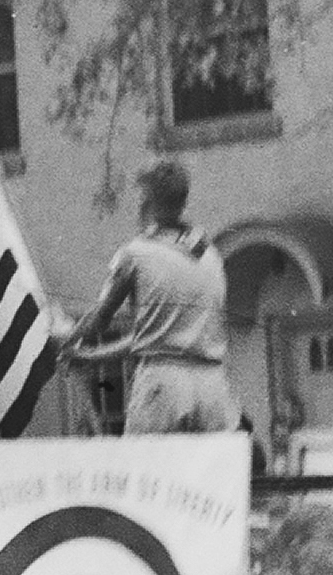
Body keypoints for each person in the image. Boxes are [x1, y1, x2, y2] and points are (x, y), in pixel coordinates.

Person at [64, 161, 238, 436]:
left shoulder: (136, 253)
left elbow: (100, 319)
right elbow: (157, 333)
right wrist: (95, 356)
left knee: (145, 461)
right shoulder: (210, 256)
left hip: (162, 383)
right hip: (212, 385)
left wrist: (68, 338)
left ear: (147, 201)